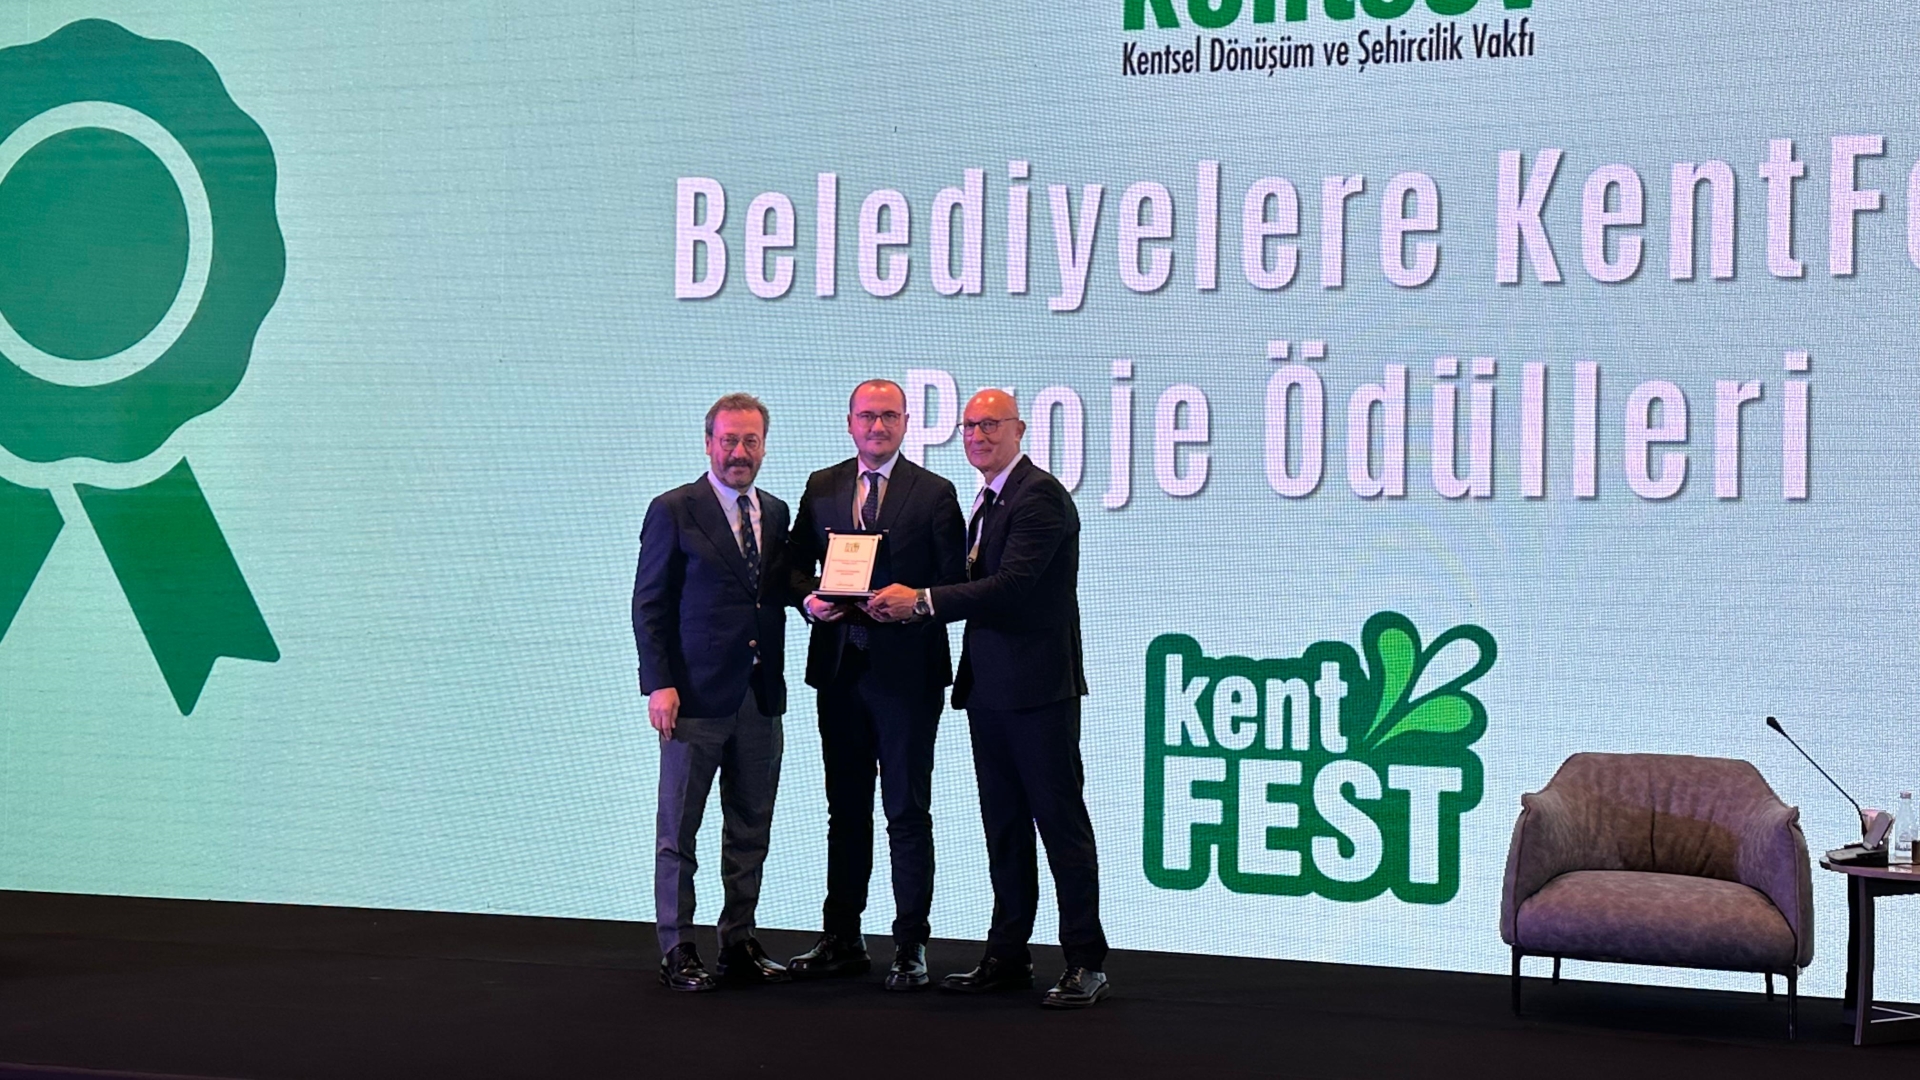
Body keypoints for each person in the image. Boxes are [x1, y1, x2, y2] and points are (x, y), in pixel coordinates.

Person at [866, 389, 1110, 1009]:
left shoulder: (1038, 495)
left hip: (1039, 691)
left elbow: (1011, 586)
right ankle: (1007, 953)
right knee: (1003, 827)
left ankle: (1085, 961)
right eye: (970, 425)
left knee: (1060, 825)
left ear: (1019, 429)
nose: (977, 436)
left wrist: (923, 601)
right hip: (991, 690)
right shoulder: (988, 498)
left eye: (990, 425)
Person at [784, 379, 966, 990]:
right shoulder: (823, 485)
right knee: (845, 810)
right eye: (867, 416)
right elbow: (792, 566)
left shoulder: (935, 493)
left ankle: (910, 944)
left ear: (906, 422)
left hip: (906, 677)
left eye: (889, 415)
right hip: (840, 672)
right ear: (849, 423)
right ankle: (842, 938)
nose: (877, 426)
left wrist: (915, 601)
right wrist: (808, 600)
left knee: (907, 811)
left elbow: (954, 585)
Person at [632, 392, 795, 992]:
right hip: (693, 698)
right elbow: (649, 605)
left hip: (759, 696)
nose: (739, 452)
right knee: (679, 830)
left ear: (764, 446)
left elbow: (781, 589)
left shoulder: (775, 512)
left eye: (751, 440)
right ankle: (677, 947)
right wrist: (659, 683)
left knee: (751, 828)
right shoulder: (674, 509)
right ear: (708, 443)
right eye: (729, 440)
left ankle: (739, 941)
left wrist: (819, 600)